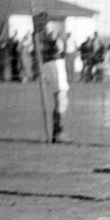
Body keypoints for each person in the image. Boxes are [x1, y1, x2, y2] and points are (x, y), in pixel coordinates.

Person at [33, 14, 71, 143]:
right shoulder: (47, 31)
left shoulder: (40, 33)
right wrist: (58, 37)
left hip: (52, 64)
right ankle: (58, 133)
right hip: (54, 64)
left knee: (61, 99)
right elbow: (55, 44)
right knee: (61, 99)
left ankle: (57, 132)